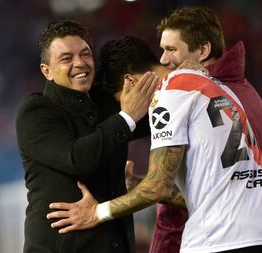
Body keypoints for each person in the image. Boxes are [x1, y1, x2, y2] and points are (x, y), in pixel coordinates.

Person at [46, 36, 262, 253]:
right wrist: (139, 184)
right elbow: (207, 192)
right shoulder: (214, 86)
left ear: (131, 82)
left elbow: (158, 188)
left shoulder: (168, 94)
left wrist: (96, 213)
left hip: (221, 239)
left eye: (123, 100)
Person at [15, 20, 157, 252]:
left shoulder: (105, 106)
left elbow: (156, 121)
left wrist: (186, 77)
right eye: (66, 58)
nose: (79, 63)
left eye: (85, 54)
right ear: (46, 71)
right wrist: (127, 117)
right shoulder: (37, 111)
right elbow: (77, 158)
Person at [150, 7, 262, 252]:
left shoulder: (185, 93)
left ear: (203, 50)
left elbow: (176, 208)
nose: (163, 59)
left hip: (216, 238)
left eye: (171, 49)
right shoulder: (249, 95)